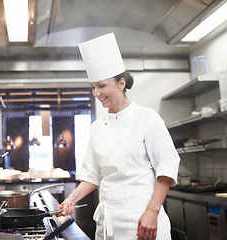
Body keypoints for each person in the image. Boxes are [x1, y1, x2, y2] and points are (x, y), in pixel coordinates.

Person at [57, 33, 180, 240]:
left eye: (102, 86)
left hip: (143, 220)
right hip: (107, 224)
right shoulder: (97, 128)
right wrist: (70, 200)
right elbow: (92, 176)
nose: (96, 92)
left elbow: (166, 169)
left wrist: (152, 212)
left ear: (121, 84)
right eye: (93, 87)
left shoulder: (147, 118)